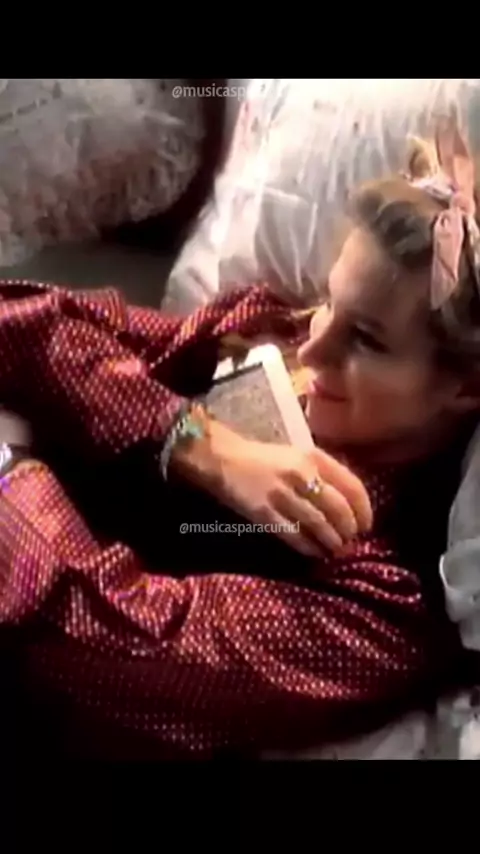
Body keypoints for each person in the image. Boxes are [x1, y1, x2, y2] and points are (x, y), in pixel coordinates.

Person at [0, 117, 478, 759]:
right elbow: (27, 321)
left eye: (366, 340)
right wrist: (194, 440)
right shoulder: (273, 335)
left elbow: (105, 644)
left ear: (467, 387)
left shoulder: (386, 602)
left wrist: (9, 473)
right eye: (330, 302)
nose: (317, 344)